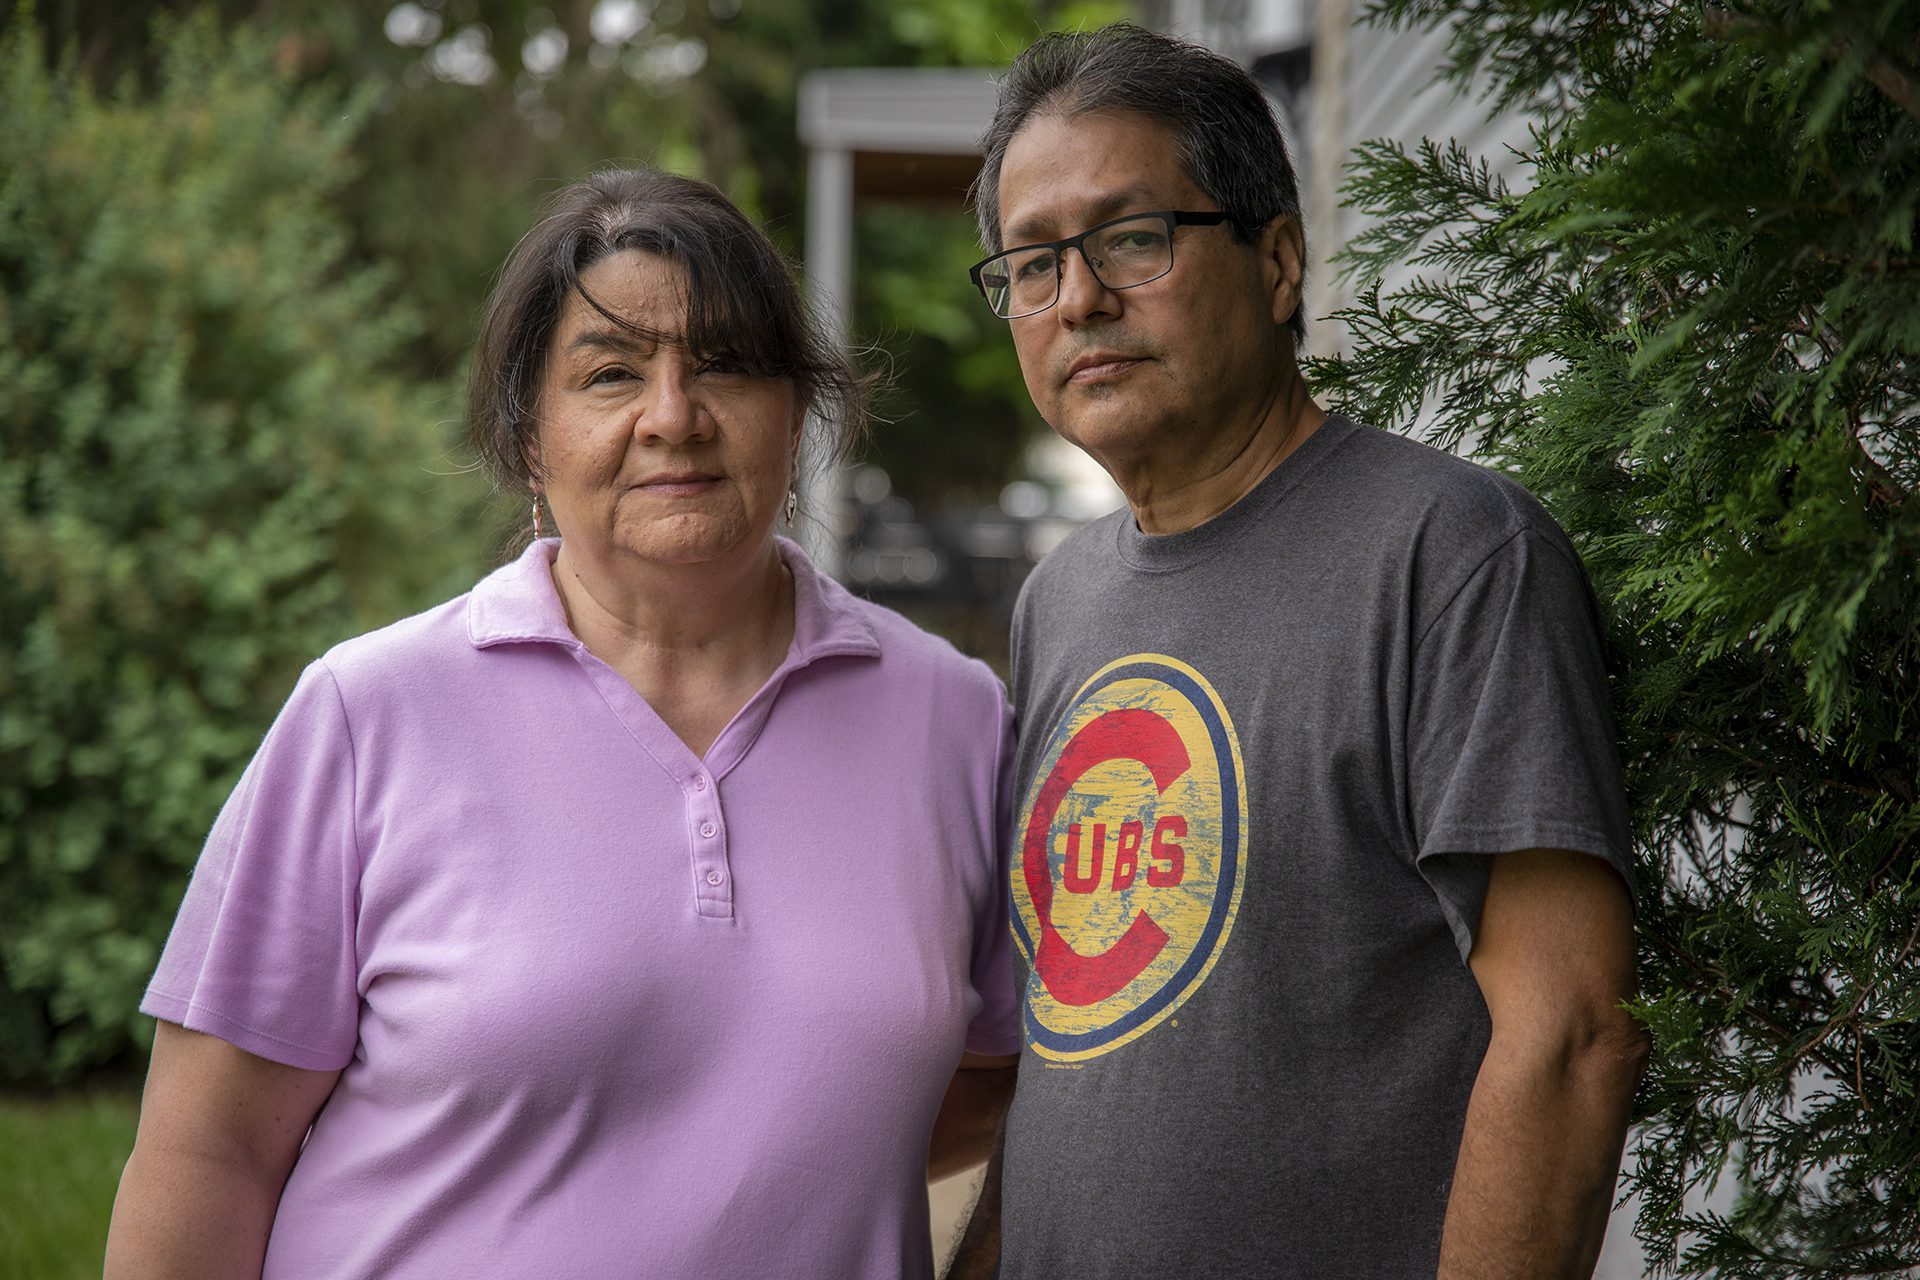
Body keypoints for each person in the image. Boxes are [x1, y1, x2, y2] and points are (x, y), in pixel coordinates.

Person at [104, 167, 1019, 1280]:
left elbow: (1005, 1082)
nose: (673, 416)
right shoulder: (370, 713)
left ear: (798, 410)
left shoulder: (954, 721)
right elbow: (209, 1154)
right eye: (611, 373)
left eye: (725, 364)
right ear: (530, 439)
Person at [949, 24, 1647, 1280]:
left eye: (1132, 238)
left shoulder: (1452, 554)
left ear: (1277, 259)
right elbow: (1075, 1039)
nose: (1080, 299)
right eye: (1034, 263)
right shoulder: (1060, 602)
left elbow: (1573, 1034)